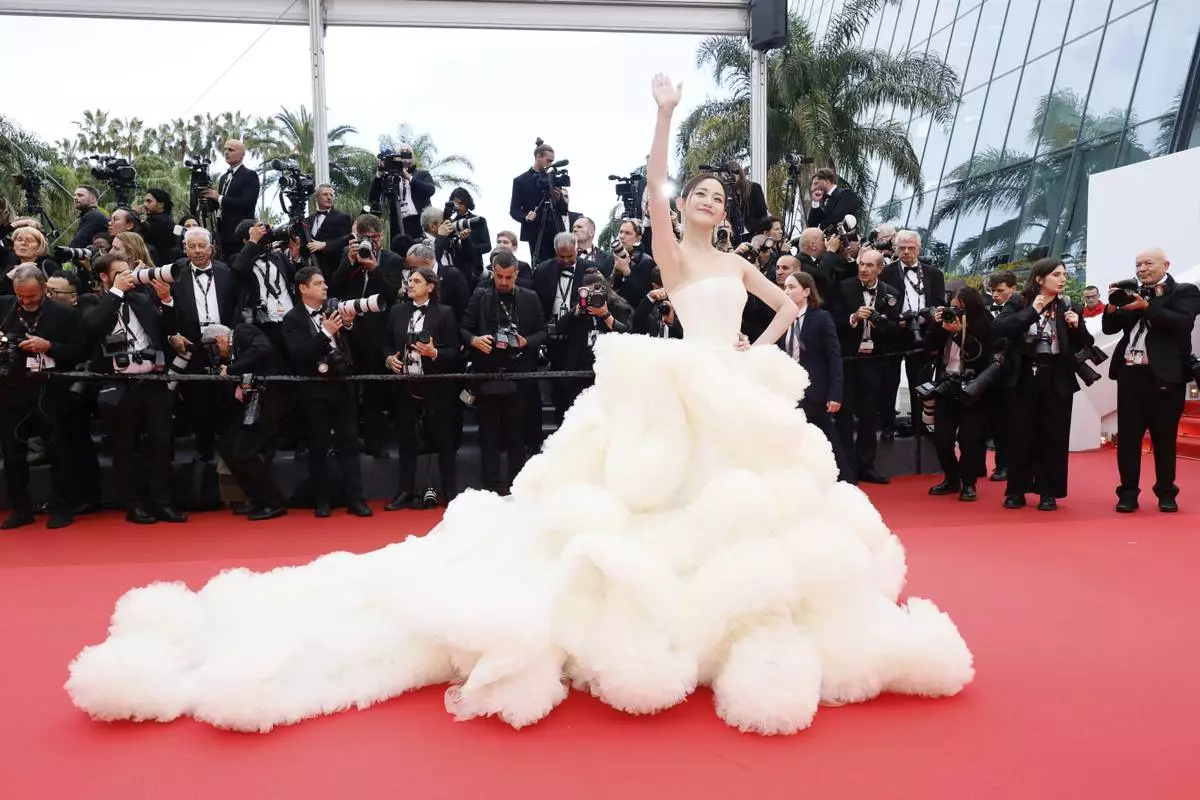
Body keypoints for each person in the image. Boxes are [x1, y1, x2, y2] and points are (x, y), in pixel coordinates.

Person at [65, 74, 973, 738]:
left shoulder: (738, 266)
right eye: (695, 194)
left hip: (727, 387)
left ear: (725, 211)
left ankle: (731, 624)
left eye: (711, 196)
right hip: (676, 393)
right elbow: (655, 188)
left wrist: (750, 349)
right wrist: (660, 116)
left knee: (747, 515)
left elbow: (795, 306)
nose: (702, 202)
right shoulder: (673, 253)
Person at [992, 258, 1095, 511]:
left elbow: (1087, 342)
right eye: (1056, 275)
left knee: (1054, 436)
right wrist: (1032, 311)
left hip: (1056, 374)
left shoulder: (1068, 304)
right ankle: (1016, 490)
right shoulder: (1020, 301)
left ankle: (1048, 491)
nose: (1062, 279)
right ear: (1039, 278)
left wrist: (1077, 325)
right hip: (1024, 374)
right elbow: (999, 328)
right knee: (1020, 434)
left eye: (1064, 275)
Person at [1103, 248, 1200, 513]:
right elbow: (1110, 328)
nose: (1142, 268)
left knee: (1165, 438)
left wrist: (1147, 307)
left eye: (1148, 263)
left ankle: (1166, 493)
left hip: (1166, 374)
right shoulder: (1133, 292)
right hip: (1130, 375)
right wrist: (1112, 303)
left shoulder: (1184, 291)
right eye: (1138, 264)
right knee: (1129, 439)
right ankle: (1128, 494)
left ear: (1166, 264)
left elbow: (1182, 323)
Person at [922, 288, 993, 502]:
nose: (955, 311)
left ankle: (969, 483)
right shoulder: (946, 322)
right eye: (953, 306)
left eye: (959, 307)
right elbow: (928, 347)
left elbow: (983, 357)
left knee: (969, 439)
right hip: (947, 383)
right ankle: (952, 479)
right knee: (942, 438)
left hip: (973, 387)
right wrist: (938, 326)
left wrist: (962, 333)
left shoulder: (984, 323)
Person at [781, 271, 848, 481]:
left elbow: (834, 358)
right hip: (788, 391)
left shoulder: (821, 318)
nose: (786, 291)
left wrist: (835, 394)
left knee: (827, 440)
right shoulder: (782, 318)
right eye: (785, 287)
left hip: (816, 392)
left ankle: (845, 481)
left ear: (807, 291)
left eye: (792, 287)